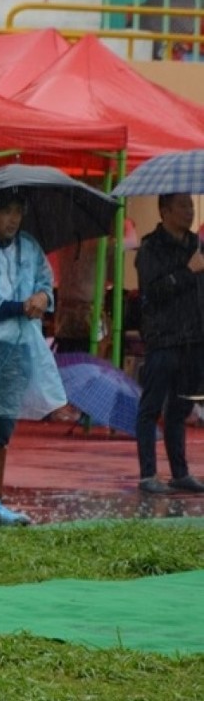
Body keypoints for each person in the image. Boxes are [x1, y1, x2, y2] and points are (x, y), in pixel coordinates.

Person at [0, 188, 66, 526]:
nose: (13, 219)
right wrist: (20, 306)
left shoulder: (30, 246)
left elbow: (45, 284)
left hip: (19, 347)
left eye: (18, 211)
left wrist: (41, 297)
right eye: (6, 212)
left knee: (2, 424)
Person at [134, 192, 204, 494]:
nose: (189, 212)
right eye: (183, 206)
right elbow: (152, 293)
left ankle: (180, 471)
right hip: (163, 338)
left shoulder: (196, 245)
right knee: (151, 407)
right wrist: (187, 273)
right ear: (165, 211)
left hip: (194, 339)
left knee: (180, 408)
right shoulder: (151, 248)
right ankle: (148, 473)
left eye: (191, 206)